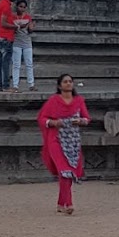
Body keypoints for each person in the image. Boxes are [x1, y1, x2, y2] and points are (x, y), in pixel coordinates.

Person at [37, 73, 90, 214]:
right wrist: (53, 122)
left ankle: (61, 203)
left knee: (69, 172)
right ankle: (69, 203)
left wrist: (81, 121)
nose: (68, 84)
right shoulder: (53, 101)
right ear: (59, 85)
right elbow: (42, 118)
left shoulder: (79, 100)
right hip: (56, 140)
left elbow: (86, 118)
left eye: (70, 81)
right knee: (64, 171)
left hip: (73, 141)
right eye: (65, 82)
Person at [0, 0, 19, 92]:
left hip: (1, 35)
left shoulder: (1, 3)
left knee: (0, 61)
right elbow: (3, 23)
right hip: (6, 36)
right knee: (5, 62)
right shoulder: (6, 5)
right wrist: (15, 26)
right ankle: (5, 85)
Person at [8, 0, 36, 92]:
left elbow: (30, 30)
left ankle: (31, 84)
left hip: (27, 42)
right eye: (20, 6)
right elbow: (10, 29)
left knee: (29, 63)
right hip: (16, 42)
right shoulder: (13, 17)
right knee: (16, 64)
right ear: (17, 7)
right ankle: (15, 85)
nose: (22, 9)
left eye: (24, 7)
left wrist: (31, 27)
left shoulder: (28, 17)